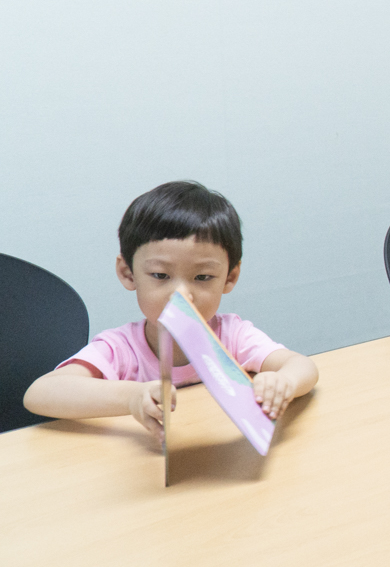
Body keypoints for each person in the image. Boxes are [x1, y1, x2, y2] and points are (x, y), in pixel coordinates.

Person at [24, 181, 320, 444]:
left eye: (202, 277)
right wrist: (132, 397)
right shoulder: (121, 348)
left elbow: (301, 366)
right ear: (128, 273)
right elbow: (40, 393)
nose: (181, 295)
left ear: (229, 278)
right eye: (160, 275)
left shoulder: (233, 336)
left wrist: (284, 382)